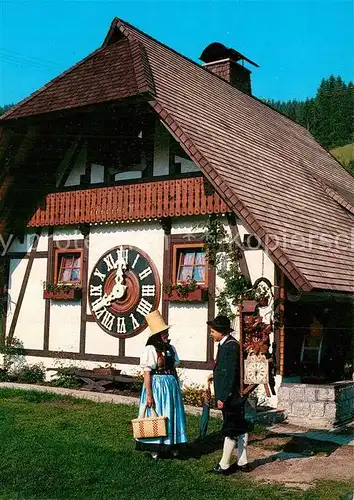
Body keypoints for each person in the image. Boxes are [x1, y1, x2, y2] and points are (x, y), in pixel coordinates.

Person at [135, 310, 188, 459]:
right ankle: (155, 446)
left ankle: (172, 444)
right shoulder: (150, 350)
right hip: (157, 387)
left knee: (172, 413)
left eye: (166, 331)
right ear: (156, 335)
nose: (166, 335)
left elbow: (174, 369)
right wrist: (149, 395)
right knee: (158, 413)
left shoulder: (171, 349)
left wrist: (177, 386)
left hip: (171, 386)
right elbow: (147, 373)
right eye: (163, 332)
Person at [207, 315, 251, 475]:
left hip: (231, 396)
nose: (211, 334)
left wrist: (222, 397)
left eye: (212, 331)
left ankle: (224, 465)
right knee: (239, 427)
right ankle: (243, 462)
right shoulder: (227, 344)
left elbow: (231, 374)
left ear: (220, 332)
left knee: (230, 428)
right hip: (234, 395)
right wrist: (215, 374)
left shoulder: (230, 346)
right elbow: (224, 369)